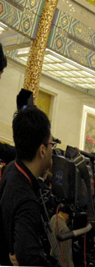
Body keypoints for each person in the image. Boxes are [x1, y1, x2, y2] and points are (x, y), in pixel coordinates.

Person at [0, 106, 55, 266]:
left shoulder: (12, 167)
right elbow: (29, 258)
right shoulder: (27, 202)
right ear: (42, 150)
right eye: (52, 144)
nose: (53, 150)